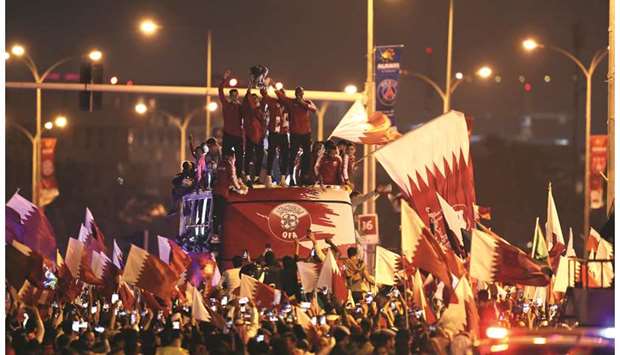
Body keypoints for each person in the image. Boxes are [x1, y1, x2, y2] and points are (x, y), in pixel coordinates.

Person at [276, 86, 317, 185]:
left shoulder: (307, 102)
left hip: (306, 133)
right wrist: (272, 84)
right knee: (292, 155)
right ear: (295, 94)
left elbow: (314, 109)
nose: (299, 95)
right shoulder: (291, 102)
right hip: (295, 133)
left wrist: (301, 102)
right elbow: (280, 96)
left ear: (303, 94)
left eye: (301, 93)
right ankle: (291, 177)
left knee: (307, 155)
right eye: (297, 93)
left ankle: (304, 175)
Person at [260, 84, 290, 188]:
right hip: (274, 132)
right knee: (271, 155)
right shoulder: (273, 102)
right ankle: (268, 177)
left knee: (285, 156)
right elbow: (264, 94)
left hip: (284, 133)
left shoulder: (287, 104)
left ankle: (282, 178)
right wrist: (263, 86)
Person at [213, 151, 245, 235]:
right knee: (223, 215)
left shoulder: (220, 164)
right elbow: (232, 178)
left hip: (216, 192)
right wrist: (239, 188)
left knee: (216, 214)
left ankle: (215, 234)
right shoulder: (229, 165)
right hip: (223, 193)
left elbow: (219, 177)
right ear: (232, 157)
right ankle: (221, 233)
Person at [219, 70, 244, 175]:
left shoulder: (241, 107)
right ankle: (225, 174)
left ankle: (238, 176)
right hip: (228, 133)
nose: (234, 97)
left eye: (235, 95)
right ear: (230, 96)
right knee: (225, 156)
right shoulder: (226, 104)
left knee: (239, 156)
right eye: (232, 95)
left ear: (238, 96)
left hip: (238, 135)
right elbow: (220, 91)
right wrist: (225, 79)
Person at [242, 83, 267, 186]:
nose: (255, 100)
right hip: (249, 135)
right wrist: (249, 86)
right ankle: (247, 176)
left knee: (259, 156)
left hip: (260, 135)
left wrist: (263, 86)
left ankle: (257, 177)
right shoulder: (248, 109)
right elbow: (245, 99)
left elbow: (265, 97)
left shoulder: (261, 109)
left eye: (256, 98)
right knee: (248, 156)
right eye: (253, 99)